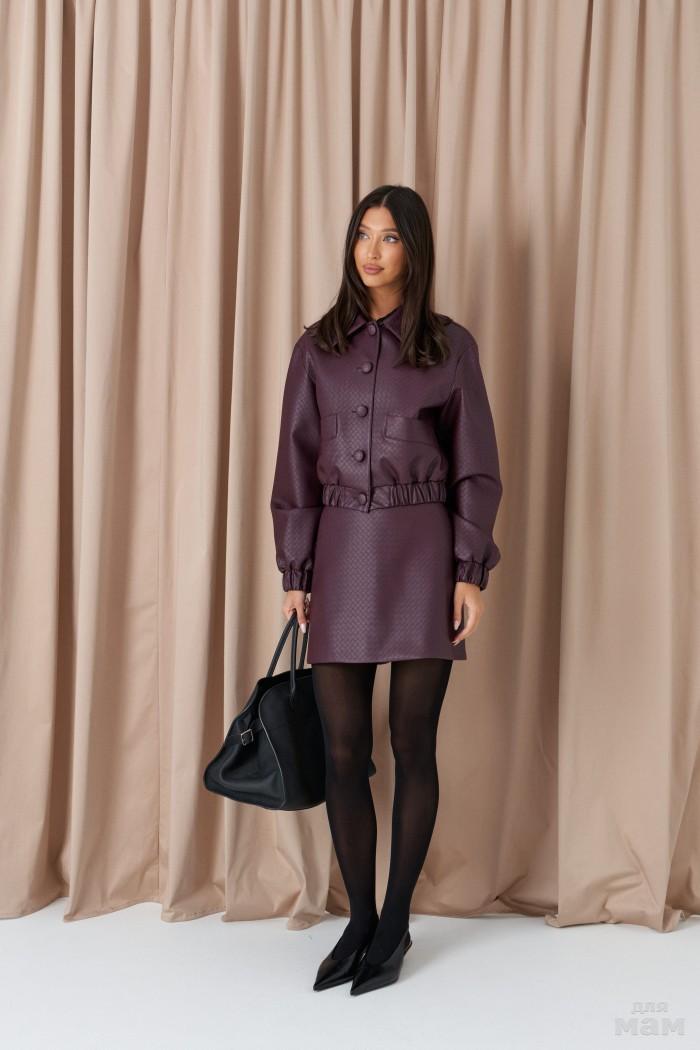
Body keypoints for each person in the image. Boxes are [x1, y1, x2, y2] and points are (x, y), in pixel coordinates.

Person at [270, 184, 503, 994]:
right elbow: (295, 468)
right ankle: (359, 920)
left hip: (423, 556)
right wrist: (296, 573)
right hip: (340, 553)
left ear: (415, 250)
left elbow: (475, 467)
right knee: (342, 751)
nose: (372, 251)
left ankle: (397, 920)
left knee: (412, 744)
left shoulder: (450, 346)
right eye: (363, 235)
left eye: (390, 237)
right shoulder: (317, 348)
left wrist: (469, 570)